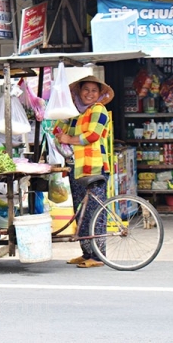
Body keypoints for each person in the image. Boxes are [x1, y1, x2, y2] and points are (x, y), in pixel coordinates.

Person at [53, 75, 114, 268]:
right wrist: (60, 136)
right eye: (86, 90)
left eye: (94, 90)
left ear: (99, 94)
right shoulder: (72, 113)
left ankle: (98, 256)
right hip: (74, 166)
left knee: (95, 212)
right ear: (79, 92)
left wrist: (68, 139)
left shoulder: (99, 110)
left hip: (94, 167)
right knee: (80, 211)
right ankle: (87, 252)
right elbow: (57, 131)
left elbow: (92, 136)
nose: (89, 94)